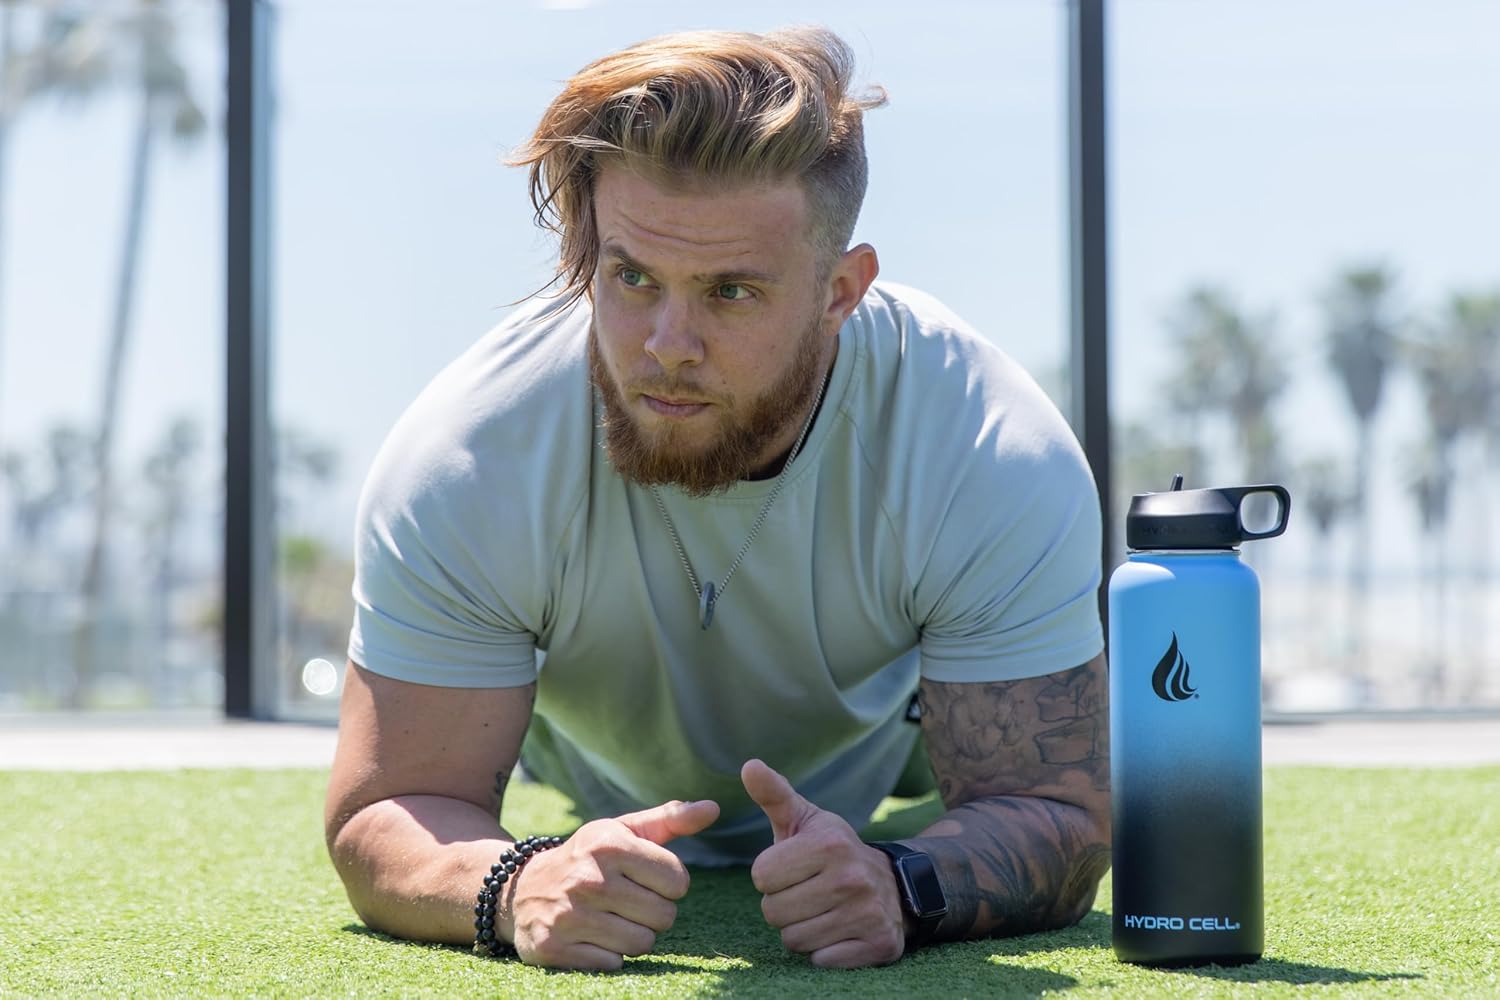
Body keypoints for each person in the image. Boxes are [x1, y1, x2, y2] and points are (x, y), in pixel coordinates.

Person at [325, 25, 1109, 972]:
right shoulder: (470, 455)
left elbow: (1057, 810)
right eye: (632, 277)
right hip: (589, 762)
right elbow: (388, 806)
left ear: (841, 291)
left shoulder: (983, 449)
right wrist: (515, 884)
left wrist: (902, 883)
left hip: (899, 732)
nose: (667, 344)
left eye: (730, 292)